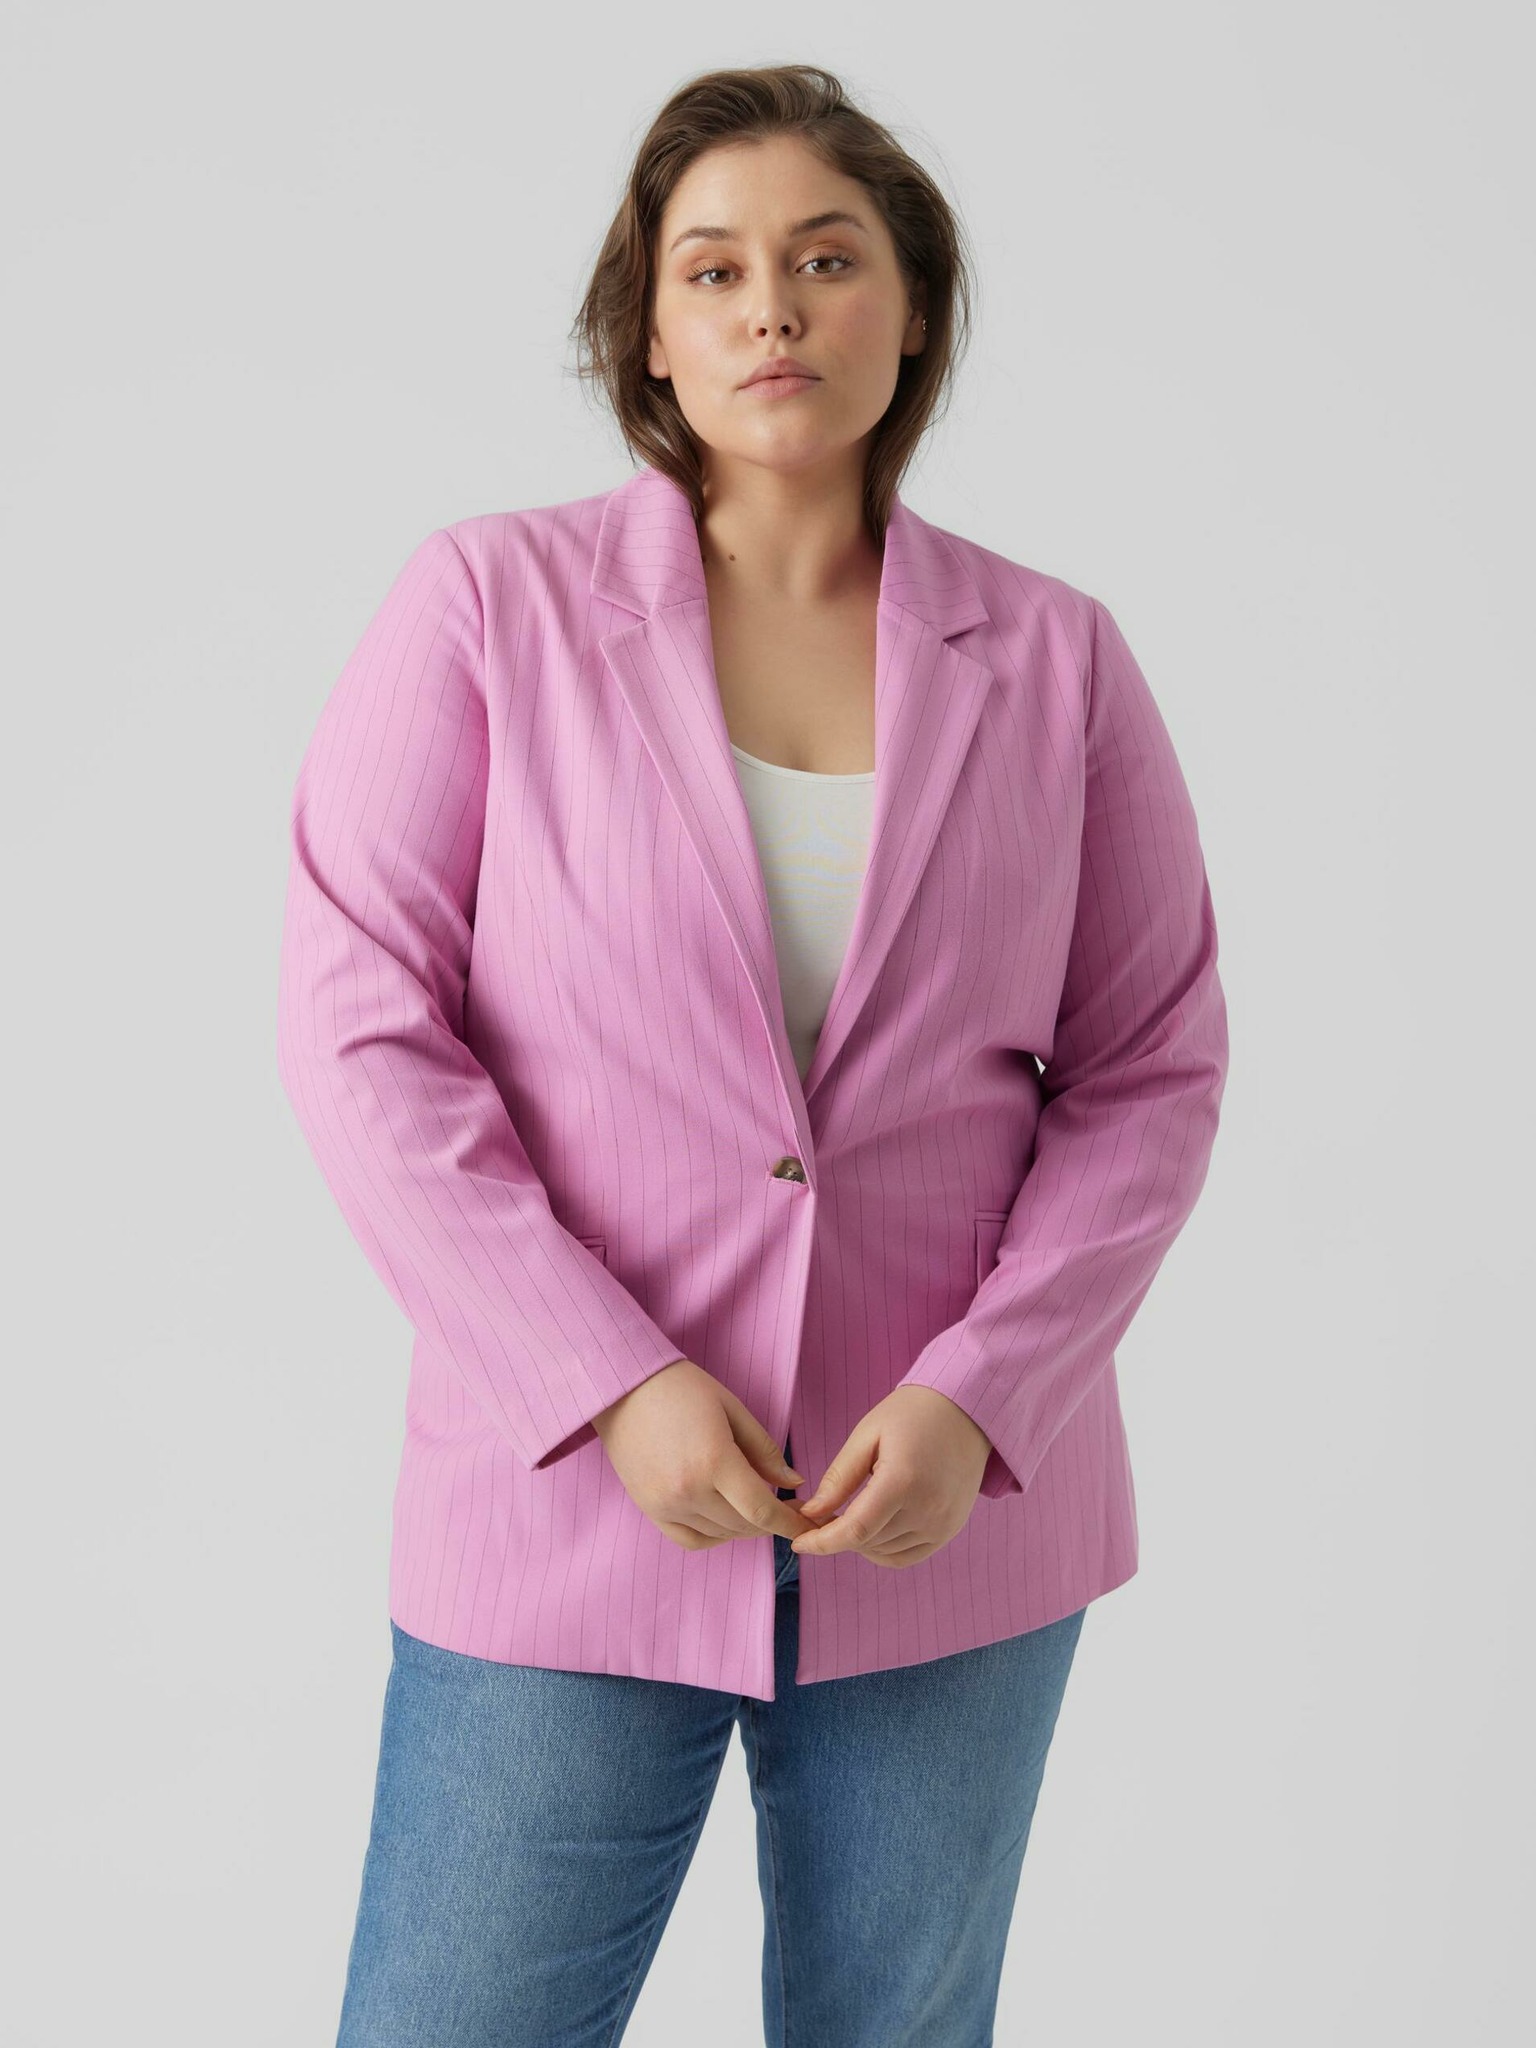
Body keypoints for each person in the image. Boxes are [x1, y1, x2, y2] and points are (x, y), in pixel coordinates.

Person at [277, 62, 1230, 2048]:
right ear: (648, 330)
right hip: (569, 1501)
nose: (772, 307)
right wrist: (606, 1381)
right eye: (712, 270)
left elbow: (1148, 1068)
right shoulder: (489, 608)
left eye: (826, 258)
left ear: (914, 306)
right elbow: (361, 1025)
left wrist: (982, 1392)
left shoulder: (1058, 658)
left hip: (949, 1516)